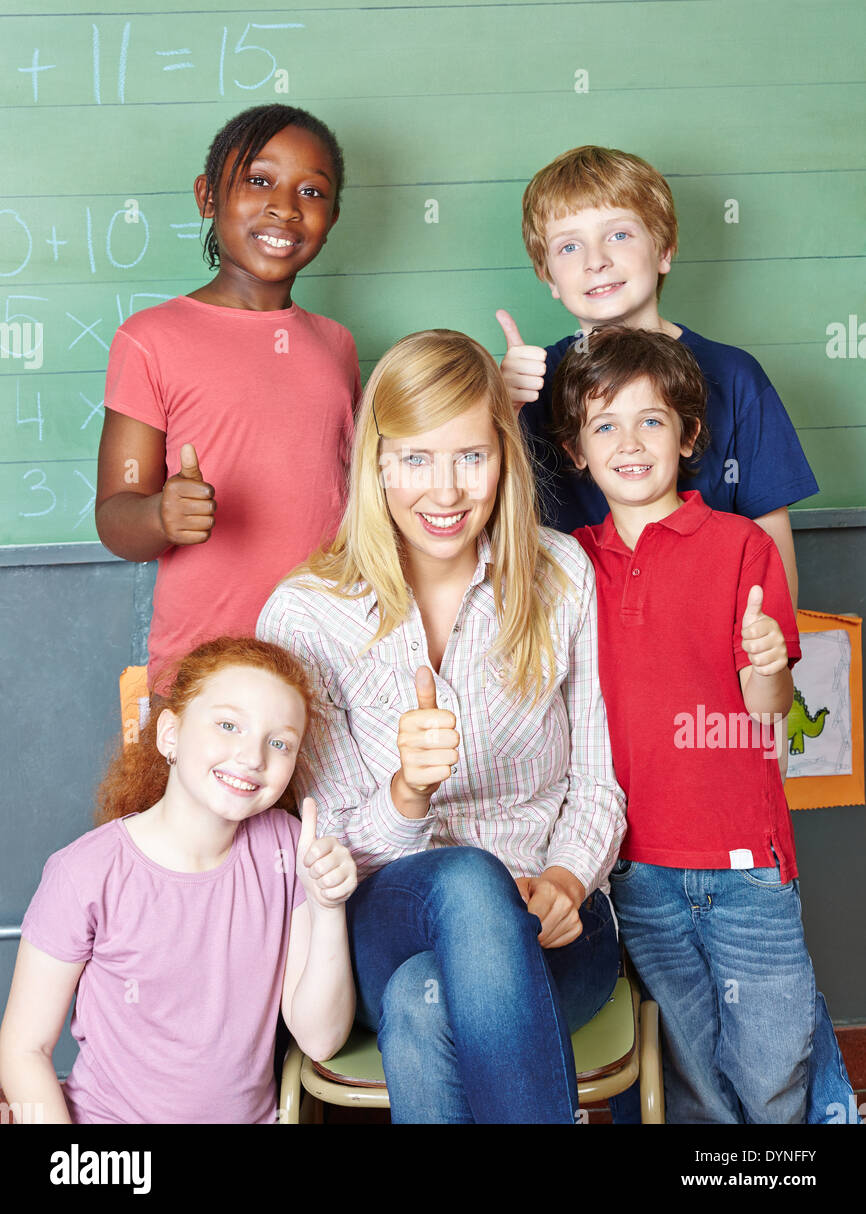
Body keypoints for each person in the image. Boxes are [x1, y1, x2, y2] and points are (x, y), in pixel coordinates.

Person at [257, 329, 626, 1124]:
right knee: (464, 880)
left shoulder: (561, 575)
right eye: (417, 459)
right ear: (378, 463)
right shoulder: (307, 615)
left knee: (425, 1007)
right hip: (388, 909)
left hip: (553, 921)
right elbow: (332, 855)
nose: (446, 490)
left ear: (504, 457)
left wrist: (566, 880)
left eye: (471, 457)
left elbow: (598, 781)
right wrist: (407, 791)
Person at [549, 324, 857, 1123]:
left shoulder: (742, 546)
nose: (629, 442)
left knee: (772, 1060)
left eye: (651, 421)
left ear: (688, 436)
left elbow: (770, 714)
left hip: (746, 866)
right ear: (575, 451)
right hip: (636, 869)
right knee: (686, 1071)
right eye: (604, 425)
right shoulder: (567, 563)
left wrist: (766, 665)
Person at [0, 637, 357, 1124]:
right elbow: (24, 1049)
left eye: (280, 743)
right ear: (170, 735)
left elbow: (320, 1038)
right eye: (228, 725)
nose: (253, 756)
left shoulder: (286, 848)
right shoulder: (84, 873)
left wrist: (327, 907)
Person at [95, 104, 361, 687]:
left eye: (312, 192)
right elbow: (116, 517)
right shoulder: (150, 340)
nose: (285, 207)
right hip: (206, 670)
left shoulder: (337, 346)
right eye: (259, 180)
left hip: (332, 661)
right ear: (207, 196)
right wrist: (160, 515)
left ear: (333, 216)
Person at [496, 144, 817, 605]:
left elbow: (771, 547)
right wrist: (500, 409)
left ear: (664, 249)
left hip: (709, 642)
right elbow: (483, 521)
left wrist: (770, 652)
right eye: (569, 245)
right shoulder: (529, 387)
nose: (596, 259)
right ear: (549, 276)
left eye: (619, 235)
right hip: (577, 651)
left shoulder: (735, 375)